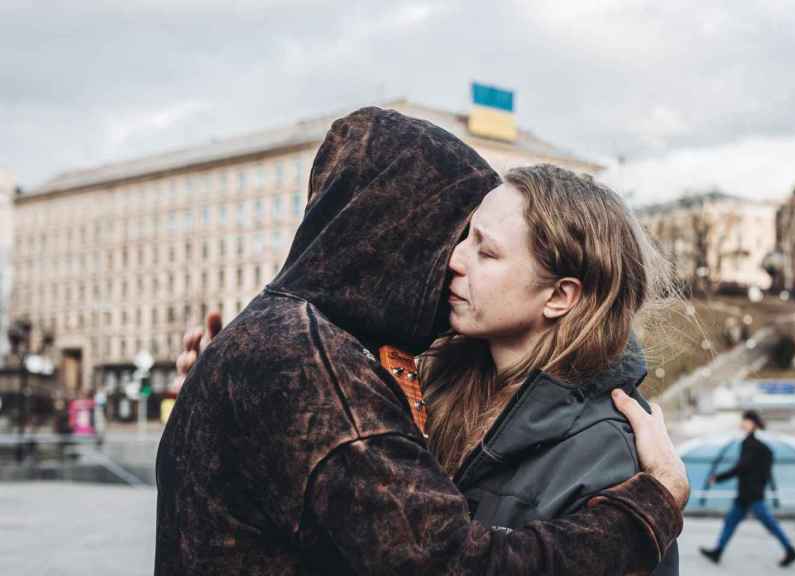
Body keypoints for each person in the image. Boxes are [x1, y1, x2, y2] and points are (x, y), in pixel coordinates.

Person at [156, 107, 689, 575]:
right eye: (460, 238)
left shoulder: (607, 446)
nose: (453, 259)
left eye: (484, 250)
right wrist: (250, 400)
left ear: (560, 295)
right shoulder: (390, 379)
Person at [699, 410, 795, 567]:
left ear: (751, 423)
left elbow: (741, 467)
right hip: (749, 493)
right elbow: (762, 470)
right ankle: (717, 552)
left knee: (769, 523)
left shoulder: (750, 444)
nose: (742, 423)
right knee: (731, 522)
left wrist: (718, 478)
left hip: (751, 494)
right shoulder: (761, 446)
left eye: (744, 420)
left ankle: (790, 550)